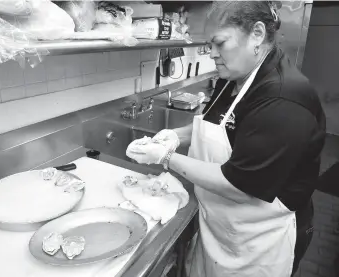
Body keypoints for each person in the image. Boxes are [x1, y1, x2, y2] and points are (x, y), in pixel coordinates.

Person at [126, 1, 326, 277]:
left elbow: (239, 186)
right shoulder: (233, 77)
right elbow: (218, 125)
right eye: (210, 45)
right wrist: (175, 135)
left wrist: (166, 157)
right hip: (222, 228)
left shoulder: (283, 98)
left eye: (220, 43)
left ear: (257, 34)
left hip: (261, 241)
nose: (213, 55)